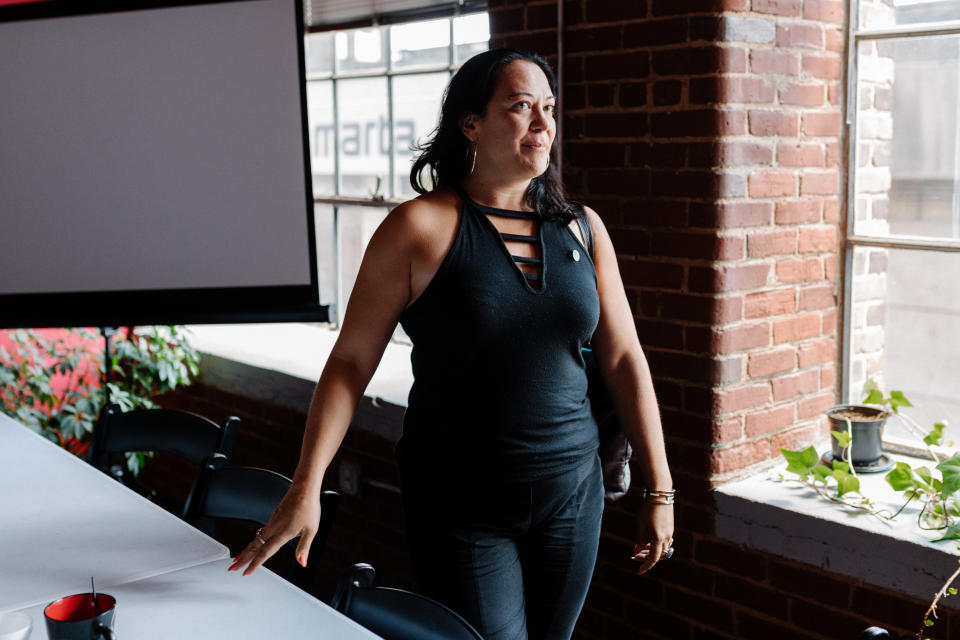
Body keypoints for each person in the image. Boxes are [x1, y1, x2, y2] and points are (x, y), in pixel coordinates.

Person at [229, 48, 674, 640]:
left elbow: (623, 360)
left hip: (573, 491)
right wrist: (306, 486)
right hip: (462, 504)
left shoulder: (582, 227)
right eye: (520, 107)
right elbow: (351, 362)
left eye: (548, 108)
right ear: (471, 123)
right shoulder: (419, 228)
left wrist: (659, 487)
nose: (543, 125)